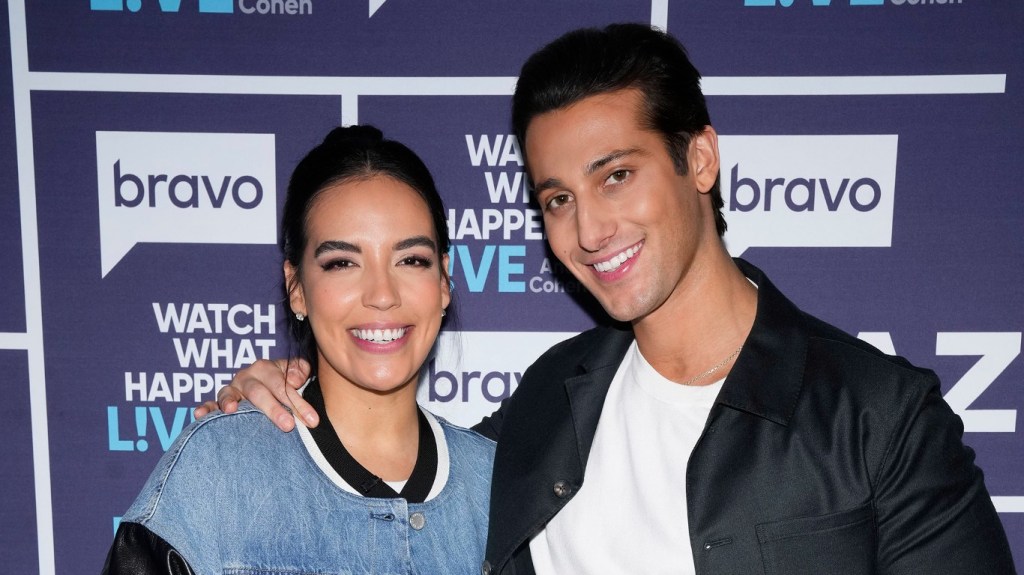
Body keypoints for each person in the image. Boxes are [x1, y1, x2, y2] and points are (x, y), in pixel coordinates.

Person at [204, 24, 1016, 575]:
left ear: (699, 159)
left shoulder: (880, 417)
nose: (589, 229)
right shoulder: (544, 409)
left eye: (616, 175)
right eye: (556, 198)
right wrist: (270, 399)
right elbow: (385, 478)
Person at [104, 126, 495, 574]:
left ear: (443, 280)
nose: (382, 293)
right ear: (297, 289)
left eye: (411, 260)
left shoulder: (498, 485)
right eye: (342, 263)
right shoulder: (219, 470)